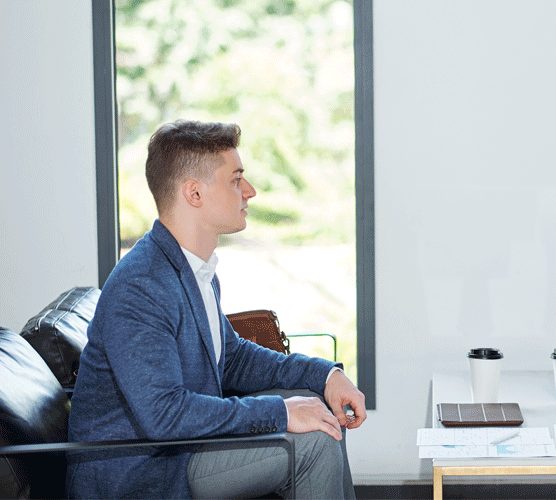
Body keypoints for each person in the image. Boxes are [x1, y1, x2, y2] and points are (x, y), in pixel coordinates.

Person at [67, 120, 366, 499]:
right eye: (235, 179)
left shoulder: (195, 270)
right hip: (145, 471)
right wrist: (282, 412)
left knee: (320, 415)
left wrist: (324, 376)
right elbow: (163, 414)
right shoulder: (141, 285)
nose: (250, 191)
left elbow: (234, 359)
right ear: (194, 193)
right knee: (312, 444)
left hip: (181, 450)